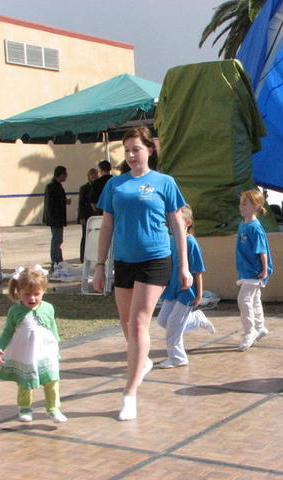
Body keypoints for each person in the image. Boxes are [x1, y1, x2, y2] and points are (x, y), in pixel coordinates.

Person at [92, 126, 192, 421]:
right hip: (124, 261)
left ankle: (129, 393)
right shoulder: (115, 185)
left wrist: (184, 266)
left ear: (150, 150)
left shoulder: (164, 182)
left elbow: (178, 226)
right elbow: (107, 225)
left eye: (137, 149)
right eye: (127, 150)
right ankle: (143, 361)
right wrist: (100, 266)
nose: (132, 155)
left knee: (138, 325)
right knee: (126, 324)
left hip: (155, 259)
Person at [0, 265, 67, 423]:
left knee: (52, 379)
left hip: (46, 351)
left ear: (43, 292)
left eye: (36, 294)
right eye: (27, 294)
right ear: (18, 292)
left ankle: (53, 408)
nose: (32, 298)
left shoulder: (48, 308)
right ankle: (25, 407)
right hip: (26, 352)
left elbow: (52, 328)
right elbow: (8, 331)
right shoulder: (15, 311)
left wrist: (56, 347)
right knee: (25, 381)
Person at [156, 205, 216, 369]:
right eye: (171, 220)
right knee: (163, 321)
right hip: (172, 289)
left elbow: (198, 271)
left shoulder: (191, 243)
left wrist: (199, 294)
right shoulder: (169, 240)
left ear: (188, 223)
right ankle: (196, 320)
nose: (172, 223)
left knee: (173, 326)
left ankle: (178, 358)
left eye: (177, 220)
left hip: (187, 291)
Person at [235, 189, 273, 351]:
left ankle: (249, 331)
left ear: (256, 206)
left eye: (246, 203)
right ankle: (260, 327)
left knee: (243, 300)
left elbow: (262, 251)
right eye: (241, 202)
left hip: (255, 272)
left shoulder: (255, 228)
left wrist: (264, 270)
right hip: (246, 270)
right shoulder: (243, 224)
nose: (241, 206)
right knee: (255, 300)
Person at [43, 166, 71, 271]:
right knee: (56, 240)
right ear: (61, 174)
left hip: (55, 218)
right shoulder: (53, 186)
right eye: (65, 174)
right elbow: (53, 203)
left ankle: (58, 259)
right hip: (55, 218)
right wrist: (64, 201)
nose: (66, 177)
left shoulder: (55, 185)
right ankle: (56, 261)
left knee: (58, 239)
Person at [77, 167, 99, 262]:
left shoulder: (99, 186)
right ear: (88, 176)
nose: (93, 176)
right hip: (87, 215)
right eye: (91, 174)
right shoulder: (84, 188)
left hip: (97, 215)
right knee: (85, 237)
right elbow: (81, 203)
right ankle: (83, 258)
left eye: (95, 174)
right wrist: (81, 217)